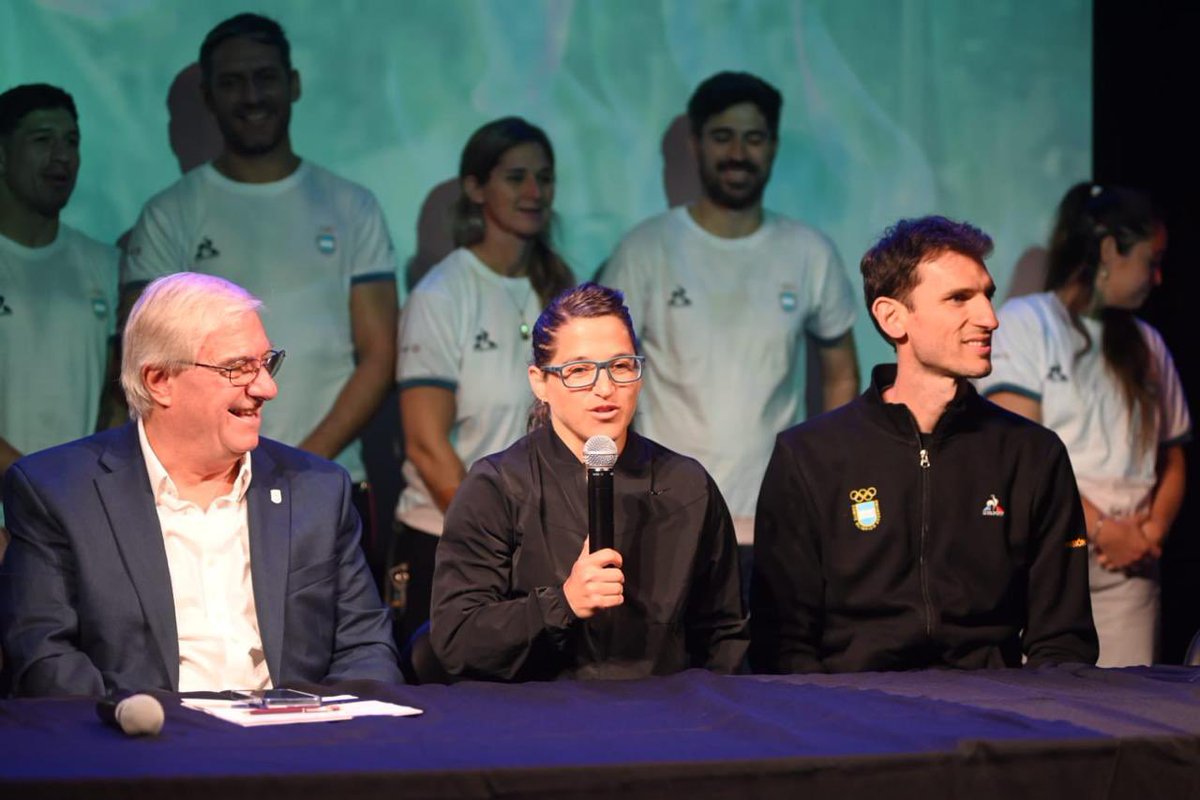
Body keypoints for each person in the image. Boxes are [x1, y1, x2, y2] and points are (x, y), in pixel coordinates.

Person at [0, 272, 401, 697]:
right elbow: (46, 661)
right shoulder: (59, 493)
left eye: (266, 363)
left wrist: (326, 726)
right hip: (144, 735)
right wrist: (148, 728)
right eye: (238, 368)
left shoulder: (317, 490)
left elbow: (367, 649)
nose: (267, 387)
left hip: (294, 733)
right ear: (159, 381)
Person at [750, 216, 1098, 673]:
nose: (990, 318)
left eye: (987, 295)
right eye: (959, 299)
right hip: (851, 710)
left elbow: (1063, 643)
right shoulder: (810, 456)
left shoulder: (1033, 455)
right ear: (892, 317)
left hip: (993, 711)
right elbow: (783, 646)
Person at [120, 13, 398, 567]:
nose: (252, 96)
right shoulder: (170, 214)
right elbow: (146, 364)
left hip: (328, 480)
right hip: (199, 491)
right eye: (232, 82)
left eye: (265, 77)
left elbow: (379, 354)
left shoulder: (351, 206)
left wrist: (297, 465)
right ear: (208, 97)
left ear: (292, 84)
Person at [600, 71, 859, 562]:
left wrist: (823, 476)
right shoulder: (645, 249)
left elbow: (842, 375)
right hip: (665, 521)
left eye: (753, 138)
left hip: (776, 519)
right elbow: (605, 375)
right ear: (695, 145)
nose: (738, 153)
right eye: (722, 137)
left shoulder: (809, 252)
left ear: (773, 147)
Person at [430, 282, 747, 681]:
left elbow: (724, 635)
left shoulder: (687, 485)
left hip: (663, 711)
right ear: (540, 382)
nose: (605, 388)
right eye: (579, 371)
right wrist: (563, 603)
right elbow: (457, 639)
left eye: (621, 366)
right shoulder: (497, 486)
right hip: (539, 711)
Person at [978, 183, 1189, 667]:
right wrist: (1100, 528)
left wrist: (1151, 532)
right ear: (1110, 250)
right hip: (1049, 553)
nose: (1157, 278)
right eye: (1151, 261)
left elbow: (1173, 454)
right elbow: (1023, 449)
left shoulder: (1148, 344)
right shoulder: (1028, 322)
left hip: (1128, 566)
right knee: (1047, 699)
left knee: (1131, 700)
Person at [393, 117, 573, 645]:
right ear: (475, 188)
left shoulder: (561, 289)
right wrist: (495, 539)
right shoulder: (442, 295)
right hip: (450, 542)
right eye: (516, 178)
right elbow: (427, 446)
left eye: (544, 178)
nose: (534, 192)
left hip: (542, 552)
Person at [0, 84, 118, 547]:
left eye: (71, 141)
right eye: (42, 140)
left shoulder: (105, 265)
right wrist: (37, 486)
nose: (62, 156)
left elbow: (120, 394)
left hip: (80, 523)